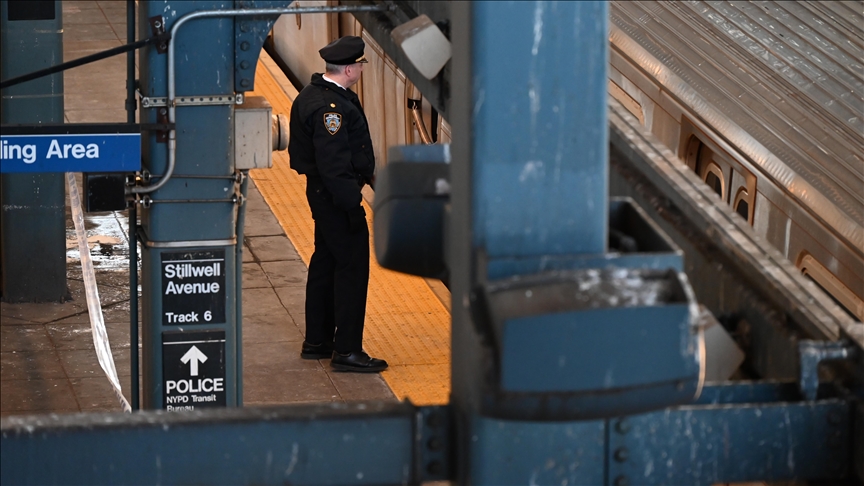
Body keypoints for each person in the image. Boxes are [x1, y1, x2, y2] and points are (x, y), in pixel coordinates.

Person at [288, 36, 387, 373]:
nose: (360, 68)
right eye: (359, 64)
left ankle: (317, 341)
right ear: (349, 69)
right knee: (352, 271)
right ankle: (347, 350)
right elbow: (333, 165)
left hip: (321, 196)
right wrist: (352, 205)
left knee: (326, 263)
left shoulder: (316, 95)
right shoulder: (330, 109)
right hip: (334, 199)